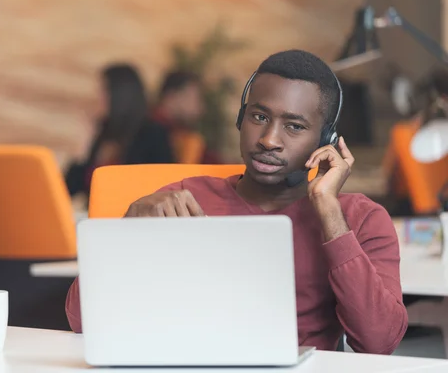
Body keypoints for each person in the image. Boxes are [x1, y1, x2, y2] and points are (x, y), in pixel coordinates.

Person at [65, 50, 408, 354]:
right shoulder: (182, 199)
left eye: (294, 126)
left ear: (325, 140)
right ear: (240, 118)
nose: (269, 139)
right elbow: (81, 321)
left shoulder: (359, 218)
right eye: (259, 117)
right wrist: (128, 231)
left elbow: (378, 342)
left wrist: (329, 210)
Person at [65, 63, 175, 198]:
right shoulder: (105, 131)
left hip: (132, 215)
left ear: (119, 95)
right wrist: (81, 152)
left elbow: (162, 187)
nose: (97, 97)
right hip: (97, 214)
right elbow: (69, 189)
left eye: (102, 91)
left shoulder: (152, 133)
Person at [152, 70, 222, 163]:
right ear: (172, 97)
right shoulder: (154, 134)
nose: (201, 108)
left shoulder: (181, 133)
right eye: (196, 98)